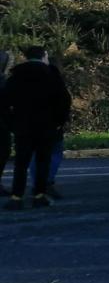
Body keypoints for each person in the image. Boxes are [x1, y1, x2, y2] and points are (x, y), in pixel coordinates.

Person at [2, 47, 71, 210]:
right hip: (46, 125)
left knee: (21, 163)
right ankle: (39, 195)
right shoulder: (51, 75)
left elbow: (4, 103)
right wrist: (59, 121)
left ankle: (16, 196)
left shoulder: (16, 75)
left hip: (23, 126)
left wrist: (11, 123)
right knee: (42, 161)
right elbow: (64, 100)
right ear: (44, 56)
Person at [0, 50, 12, 196]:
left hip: (3, 122)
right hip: (2, 123)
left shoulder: (5, 81)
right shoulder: (4, 81)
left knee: (3, 152)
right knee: (3, 151)